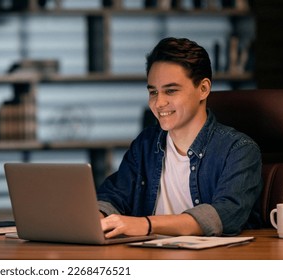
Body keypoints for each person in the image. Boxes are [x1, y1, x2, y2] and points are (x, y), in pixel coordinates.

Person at [97, 37, 262, 237]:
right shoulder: (146, 144)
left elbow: (224, 215)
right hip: (148, 257)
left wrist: (146, 225)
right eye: (153, 92)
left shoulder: (239, 150)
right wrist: (96, 217)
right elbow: (113, 196)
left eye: (171, 91)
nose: (158, 103)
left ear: (203, 89)